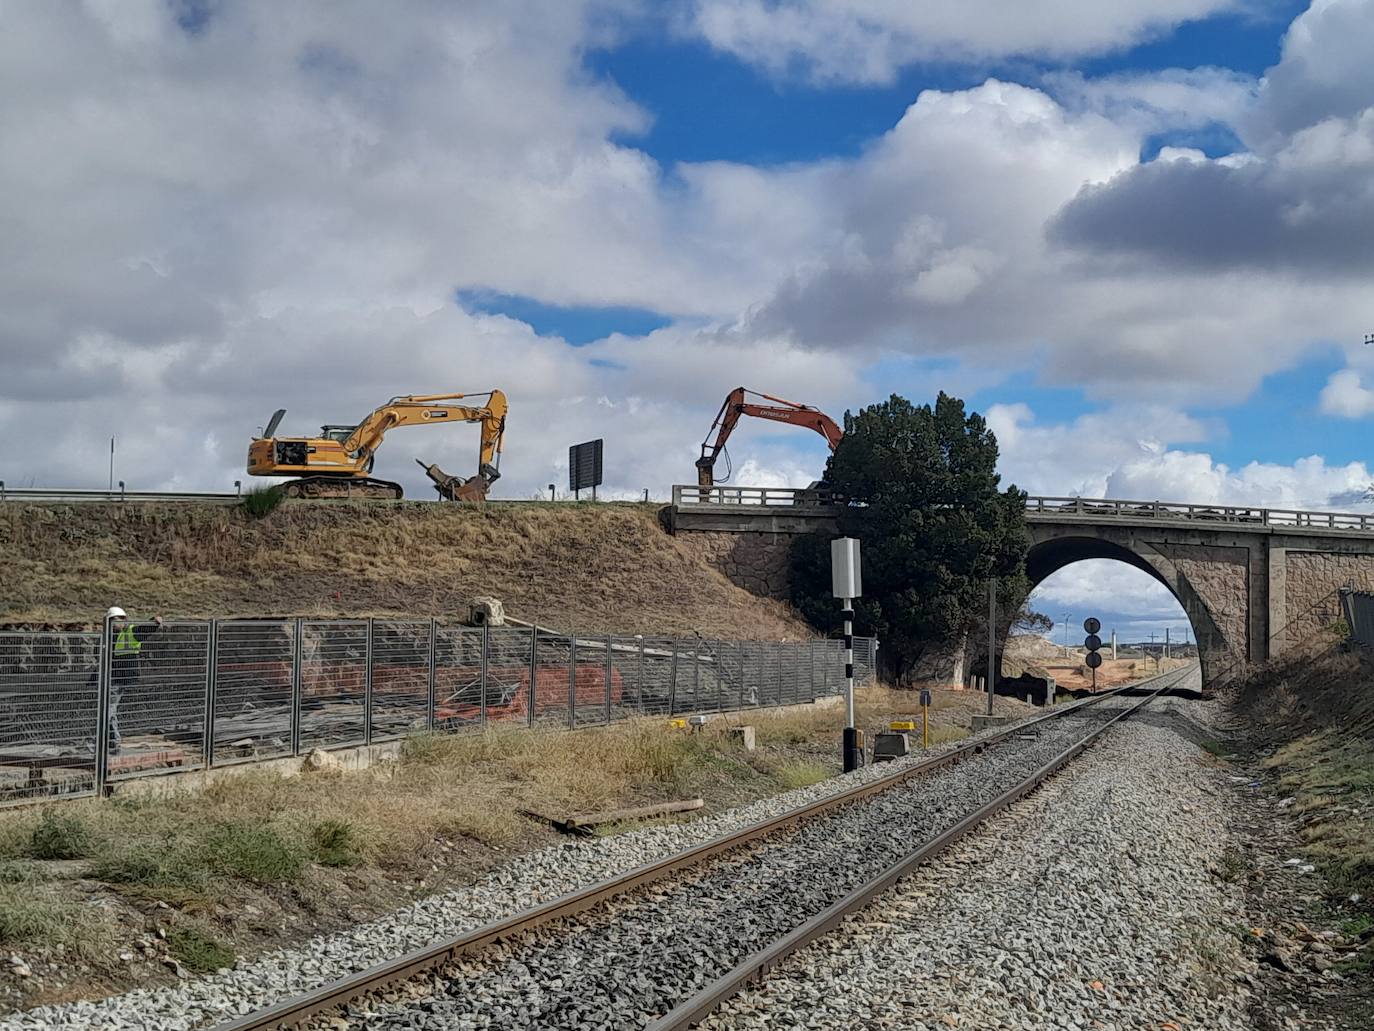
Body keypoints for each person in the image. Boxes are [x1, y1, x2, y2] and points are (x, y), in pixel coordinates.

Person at [104, 607, 163, 756]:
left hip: (120, 678)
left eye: (115, 621)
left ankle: (102, 739)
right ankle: (112, 742)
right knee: (110, 710)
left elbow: (143, 630)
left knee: (107, 710)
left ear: (122, 619)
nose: (113, 624)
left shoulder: (129, 632)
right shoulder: (111, 635)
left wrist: (154, 622)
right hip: (114, 677)